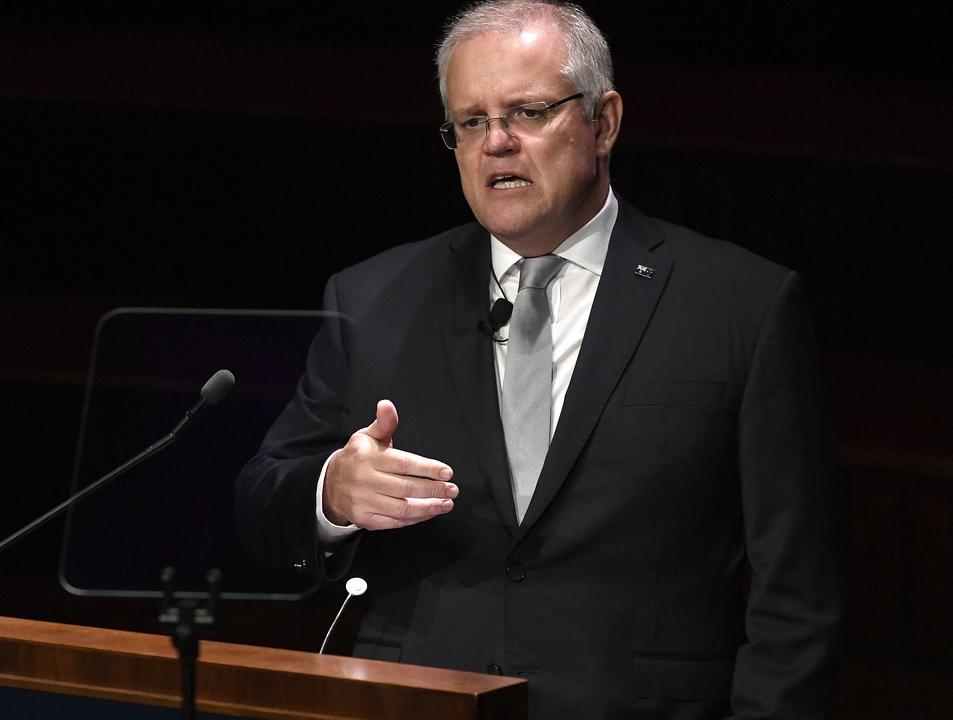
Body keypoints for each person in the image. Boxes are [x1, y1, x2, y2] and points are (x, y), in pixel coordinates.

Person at [236, 1, 846, 717]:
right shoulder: (372, 299)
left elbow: (801, 588)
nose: (496, 143)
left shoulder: (740, 306)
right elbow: (260, 504)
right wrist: (332, 493)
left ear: (604, 121)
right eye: (471, 122)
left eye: (527, 113)